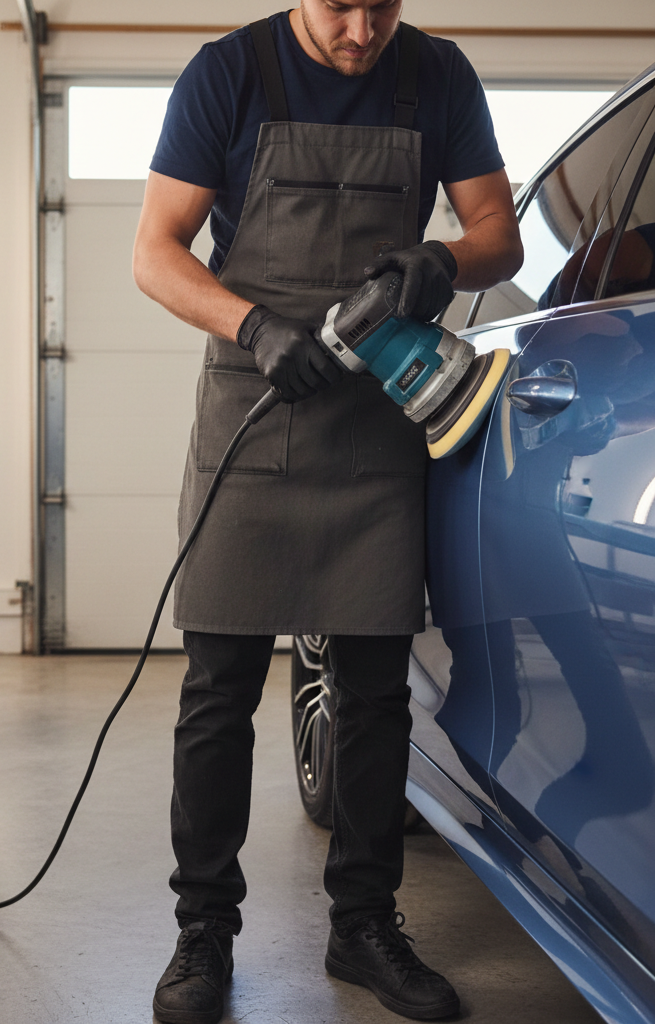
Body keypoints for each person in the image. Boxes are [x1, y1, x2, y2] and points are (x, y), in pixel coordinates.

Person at [132, 2, 523, 1022]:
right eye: (339, 6)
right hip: (253, 408)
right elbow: (156, 251)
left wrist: (446, 260)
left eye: (381, 5)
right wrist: (252, 326)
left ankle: (364, 929)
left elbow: (500, 237)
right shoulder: (228, 73)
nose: (360, 29)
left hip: (377, 416)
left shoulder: (434, 75)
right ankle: (202, 935)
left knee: (372, 691)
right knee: (219, 689)